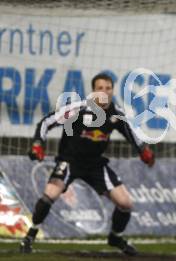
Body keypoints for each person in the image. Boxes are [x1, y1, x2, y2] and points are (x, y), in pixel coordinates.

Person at [19, 73, 155, 256]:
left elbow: (133, 134)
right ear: (93, 91)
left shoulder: (117, 113)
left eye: (108, 88)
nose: (104, 92)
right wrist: (38, 143)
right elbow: (46, 122)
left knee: (126, 204)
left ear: (112, 91)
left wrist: (144, 150)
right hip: (70, 160)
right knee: (49, 195)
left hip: (95, 164)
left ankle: (115, 237)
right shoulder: (78, 109)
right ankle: (30, 235)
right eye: (100, 88)